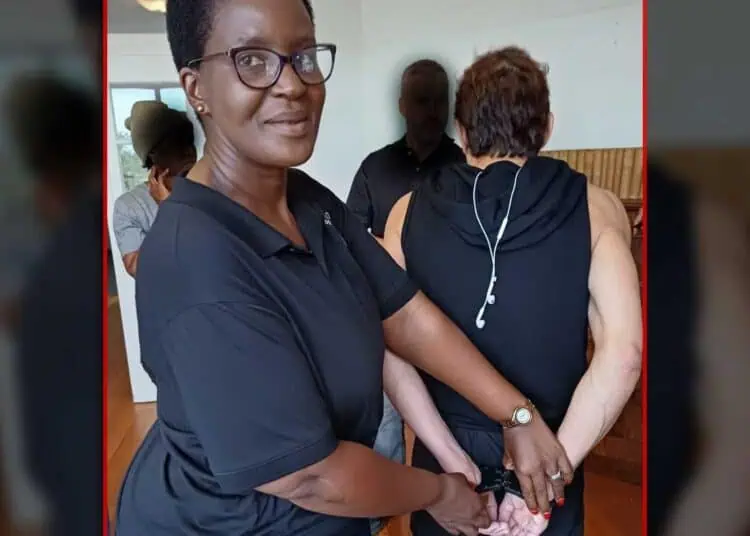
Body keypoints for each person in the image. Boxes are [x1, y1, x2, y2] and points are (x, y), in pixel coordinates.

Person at [115, 1, 575, 535]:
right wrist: (439, 492)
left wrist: (516, 414)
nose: (293, 84)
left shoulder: (306, 200)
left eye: (304, 56)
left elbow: (403, 312)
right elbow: (308, 477)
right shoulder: (195, 261)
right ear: (196, 88)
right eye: (253, 60)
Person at [381, 47, 643, 535]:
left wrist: (452, 460)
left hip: (448, 463)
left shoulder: (404, 213)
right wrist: (548, 476)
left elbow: (388, 345)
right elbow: (624, 355)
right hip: (552, 450)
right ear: (548, 128)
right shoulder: (600, 209)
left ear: (461, 132)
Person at [347, 59, 464, 238]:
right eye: (422, 101)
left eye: (440, 101)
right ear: (402, 106)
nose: (432, 112)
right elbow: (350, 237)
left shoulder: (466, 169)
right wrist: (389, 248)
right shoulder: (374, 168)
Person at [112, 100, 197, 277]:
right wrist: (168, 211)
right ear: (152, 156)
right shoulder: (129, 206)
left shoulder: (209, 189)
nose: (188, 151)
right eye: (175, 145)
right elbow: (137, 269)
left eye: (189, 141)